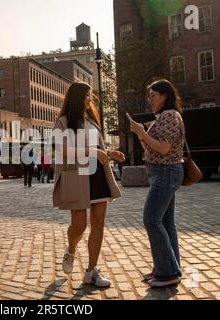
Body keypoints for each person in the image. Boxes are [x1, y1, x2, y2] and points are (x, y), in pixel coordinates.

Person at [53, 82, 125, 287]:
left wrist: (109, 153)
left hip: (98, 176)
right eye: (87, 96)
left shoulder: (92, 120)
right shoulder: (63, 122)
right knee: (79, 226)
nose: (90, 99)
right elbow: (63, 150)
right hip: (77, 177)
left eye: (90, 95)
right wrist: (93, 152)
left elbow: (97, 147)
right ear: (77, 98)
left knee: (98, 223)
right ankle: (71, 249)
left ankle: (91, 271)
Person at [128, 79, 185, 288]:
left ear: (165, 96)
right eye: (149, 96)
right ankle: (169, 267)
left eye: (153, 95)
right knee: (166, 223)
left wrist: (142, 133)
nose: (150, 100)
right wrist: (141, 133)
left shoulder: (170, 115)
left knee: (151, 220)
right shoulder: (160, 118)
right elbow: (150, 149)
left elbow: (164, 149)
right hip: (162, 173)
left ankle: (168, 272)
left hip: (166, 172)